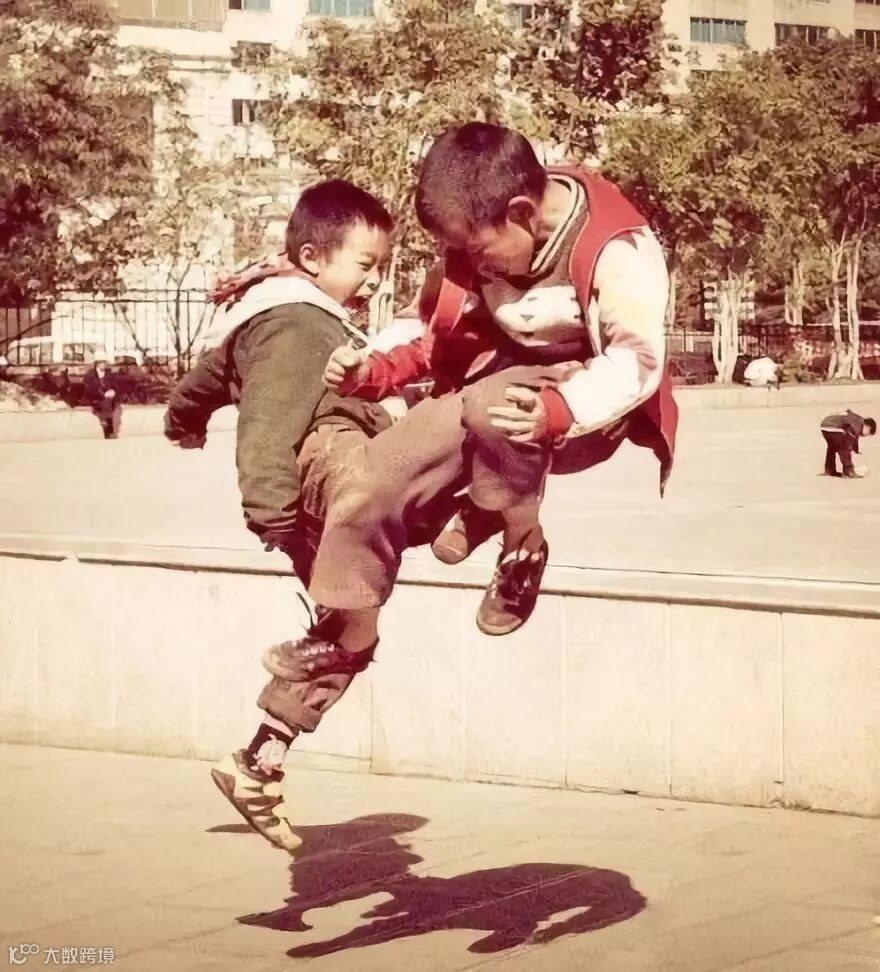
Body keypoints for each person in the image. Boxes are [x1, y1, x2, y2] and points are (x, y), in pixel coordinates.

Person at [322, 122, 678, 636]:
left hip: (584, 411)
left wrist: (560, 409)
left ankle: (520, 541)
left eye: (478, 250)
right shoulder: (479, 223)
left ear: (522, 213)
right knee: (371, 473)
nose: (471, 263)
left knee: (495, 407)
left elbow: (636, 360)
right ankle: (345, 636)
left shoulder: (618, 248)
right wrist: (370, 364)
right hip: (490, 386)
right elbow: (429, 322)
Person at [165, 179, 421, 853]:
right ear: (312, 257)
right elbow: (268, 426)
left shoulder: (268, 310)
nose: (373, 280)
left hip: (308, 502)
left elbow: (206, 378)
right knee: (354, 622)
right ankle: (459, 518)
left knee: (353, 629)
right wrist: (272, 515)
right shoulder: (299, 323)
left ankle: (259, 762)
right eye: (365, 264)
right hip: (312, 500)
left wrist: (183, 421)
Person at [820, 409, 876, 478]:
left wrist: (855, 448)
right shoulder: (857, 425)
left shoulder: (857, 420)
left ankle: (829, 470)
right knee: (844, 448)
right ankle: (849, 471)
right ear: (867, 427)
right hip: (834, 427)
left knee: (832, 447)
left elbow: (854, 436)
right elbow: (848, 443)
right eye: (868, 433)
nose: (865, 435)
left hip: (824, 426)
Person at [83, 360, 122, 439]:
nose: (104, 365)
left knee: (111, 407)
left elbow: (115, 386)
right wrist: (103, 395)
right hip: (96, 398)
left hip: (110, 398)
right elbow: (90, 389)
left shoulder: (109, 375)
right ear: (97, 365)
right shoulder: (90, 376)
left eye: (104, 364)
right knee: (106, 406)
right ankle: (109, 431)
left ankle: (107, 427)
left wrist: (113, 391)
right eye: (102, 364)